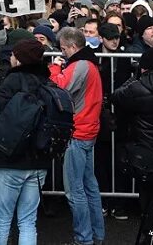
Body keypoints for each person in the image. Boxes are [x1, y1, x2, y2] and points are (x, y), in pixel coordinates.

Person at [0, 38, 55, 245]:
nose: (11, 57)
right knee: (28, 221)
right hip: (39, 160)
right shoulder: (48, 83)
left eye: (14, 54)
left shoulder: (13, 81)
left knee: (2, 220)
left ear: (21, 59)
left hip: (9, 159)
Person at [112, 48, 153, 245]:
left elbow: (116, 97)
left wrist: (132, 79)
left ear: (143, 67)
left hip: (146, 152)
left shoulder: (137, 87)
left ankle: (151, 236)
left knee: (148, 199)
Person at [55, 26, 105, 245]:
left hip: (78, 131)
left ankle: (84, 238)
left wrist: (55, 69)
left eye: (64, 49)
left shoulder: (81, 65)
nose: (62, 53)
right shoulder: (90, 63)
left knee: (75, 191)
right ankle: (96, 235)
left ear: (72, 46)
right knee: (89, 187)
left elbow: (61, 86)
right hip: (87, 130)